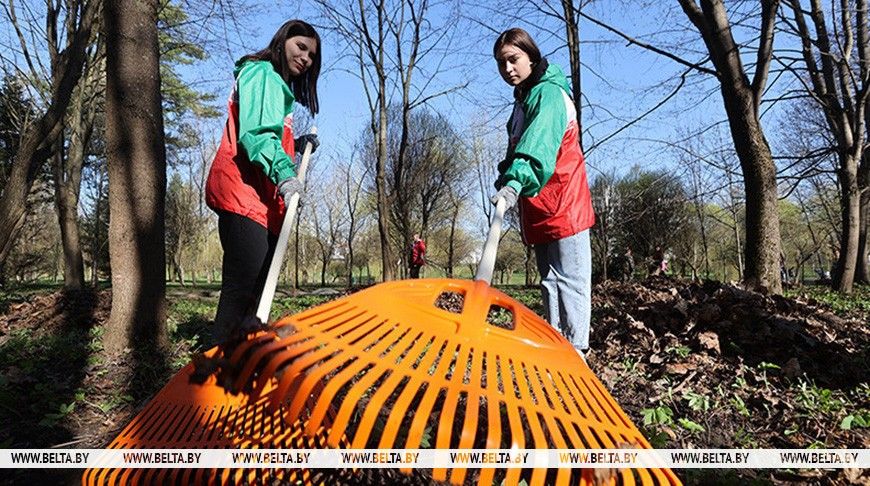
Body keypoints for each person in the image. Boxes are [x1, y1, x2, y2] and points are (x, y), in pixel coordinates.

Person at [205, 19, 321, 344]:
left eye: (312, 55)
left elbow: (270, 134)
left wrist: (295, 146)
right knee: (241, 295)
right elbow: (256, 135)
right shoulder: (261, 73)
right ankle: (214, 369)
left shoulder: (277, 86)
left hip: (262, 204)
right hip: (243, 196)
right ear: (282, 40)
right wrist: (286, 175)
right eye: (301, 47)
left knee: (256, 300)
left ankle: (241, 365)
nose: (306, 58)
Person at [490, 28, 595, 357]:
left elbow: (537, 147)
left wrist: (513, 183)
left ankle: (576, 357)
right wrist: (506, 178)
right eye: (501, 63)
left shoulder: (548, 94)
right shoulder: (522, 101)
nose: (508, 68)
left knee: (570, 282)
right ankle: (555, 351)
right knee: (550, 282)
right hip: (538, 205)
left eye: (513, 59)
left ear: (531, 56)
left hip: (565, 202)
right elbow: (516, 152)